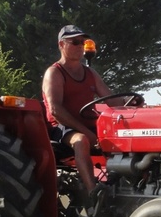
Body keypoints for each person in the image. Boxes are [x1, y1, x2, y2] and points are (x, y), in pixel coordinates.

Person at [42, 24, 114, 195]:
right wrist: (89, 134)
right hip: (61, 128)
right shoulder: (55, 73)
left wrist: (133, 103)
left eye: (82, 42)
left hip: (88, 125)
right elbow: (55, 110)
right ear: (61, 45)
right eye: (74, 42)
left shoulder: (90, 73)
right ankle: (94, 194)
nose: (80, 46)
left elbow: (112, 99)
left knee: (122, 138)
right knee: (81, 141)